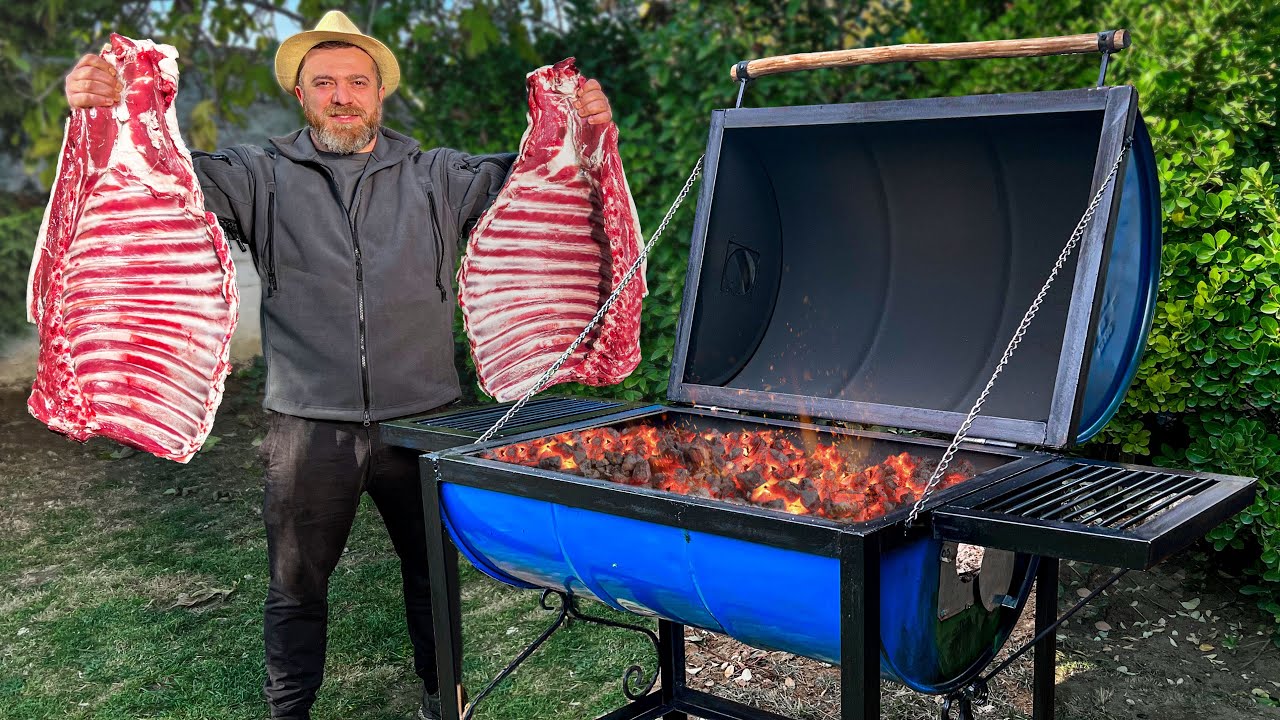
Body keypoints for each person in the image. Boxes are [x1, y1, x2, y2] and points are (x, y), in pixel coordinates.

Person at [63, 10, 614, 720]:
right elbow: (162, 177)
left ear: (380, 92)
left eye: (358, 81)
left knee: (432, 581)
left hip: (425, 422)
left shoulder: (439, 176)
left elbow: (541, 176)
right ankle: (288, 712)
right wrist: (106, 111)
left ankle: (443, 702)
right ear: (300, 93)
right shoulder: (257, 175)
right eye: (324, 82)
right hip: (308, 426)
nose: (342, 95)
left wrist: (584, 126)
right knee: (295, 586)